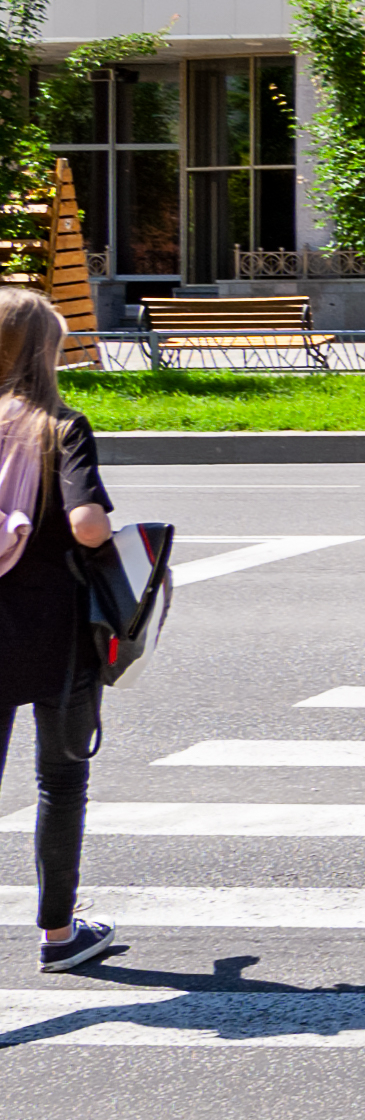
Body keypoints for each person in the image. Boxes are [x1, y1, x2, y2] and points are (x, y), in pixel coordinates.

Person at [0, 289, 116, 973]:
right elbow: (87, 525)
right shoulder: (60, 426)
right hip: (55, 632)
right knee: (60, 781)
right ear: (47, 353)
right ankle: (57, 934)